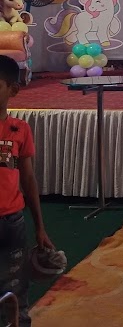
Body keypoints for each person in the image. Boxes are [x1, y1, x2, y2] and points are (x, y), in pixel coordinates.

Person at [0, 55, 54, 327]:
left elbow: (29, 179)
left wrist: (40, 228)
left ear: (13, 90)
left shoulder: (19, 129)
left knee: (15, 286)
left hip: (12, 221)